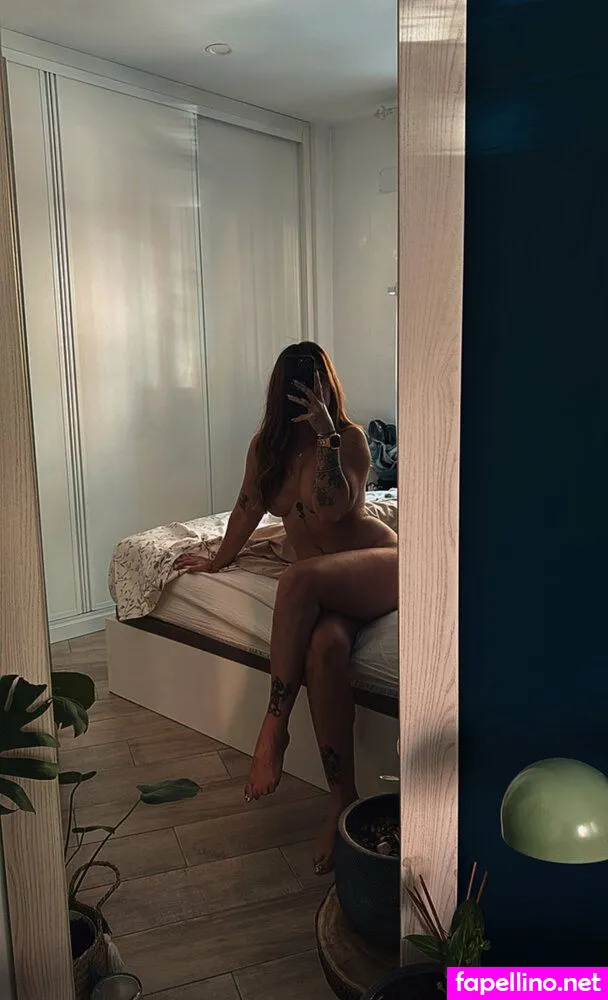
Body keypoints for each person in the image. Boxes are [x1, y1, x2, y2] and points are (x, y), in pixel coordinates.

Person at [174, 342, 398, 873]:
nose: (305, 389)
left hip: (375, 567)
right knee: (324, 648)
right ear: (281, 388)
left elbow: (333, 506)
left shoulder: (348, 438)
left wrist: (325, 435)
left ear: (327, 385)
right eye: (296, 381)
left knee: (296, 579)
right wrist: (218, 558)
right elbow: (247, 508)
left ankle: (273, 726)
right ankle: (342, 798)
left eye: (314, 380)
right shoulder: (266, 448)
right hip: (327, 590)